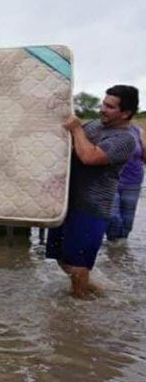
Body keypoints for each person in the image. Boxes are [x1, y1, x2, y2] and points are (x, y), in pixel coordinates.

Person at [46, 85, 139, 298]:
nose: (102, 109)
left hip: (91, 207)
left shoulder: (126, 139)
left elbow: (89, 157)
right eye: (103, 103)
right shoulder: (95, 125)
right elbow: (69, 148)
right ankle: (96, 290)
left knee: (78, 265)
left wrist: (77, 129)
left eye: (110, 106)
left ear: (125, 113)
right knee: (61, 258)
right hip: (66, 203)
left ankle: (79, 311)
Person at [106, 122, 145, 241]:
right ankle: (113, 242)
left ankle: (119, 250)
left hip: (133, 180)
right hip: (110, 179)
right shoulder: (105, 130)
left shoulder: (137, 130)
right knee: (113, 217)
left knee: (127, 220)